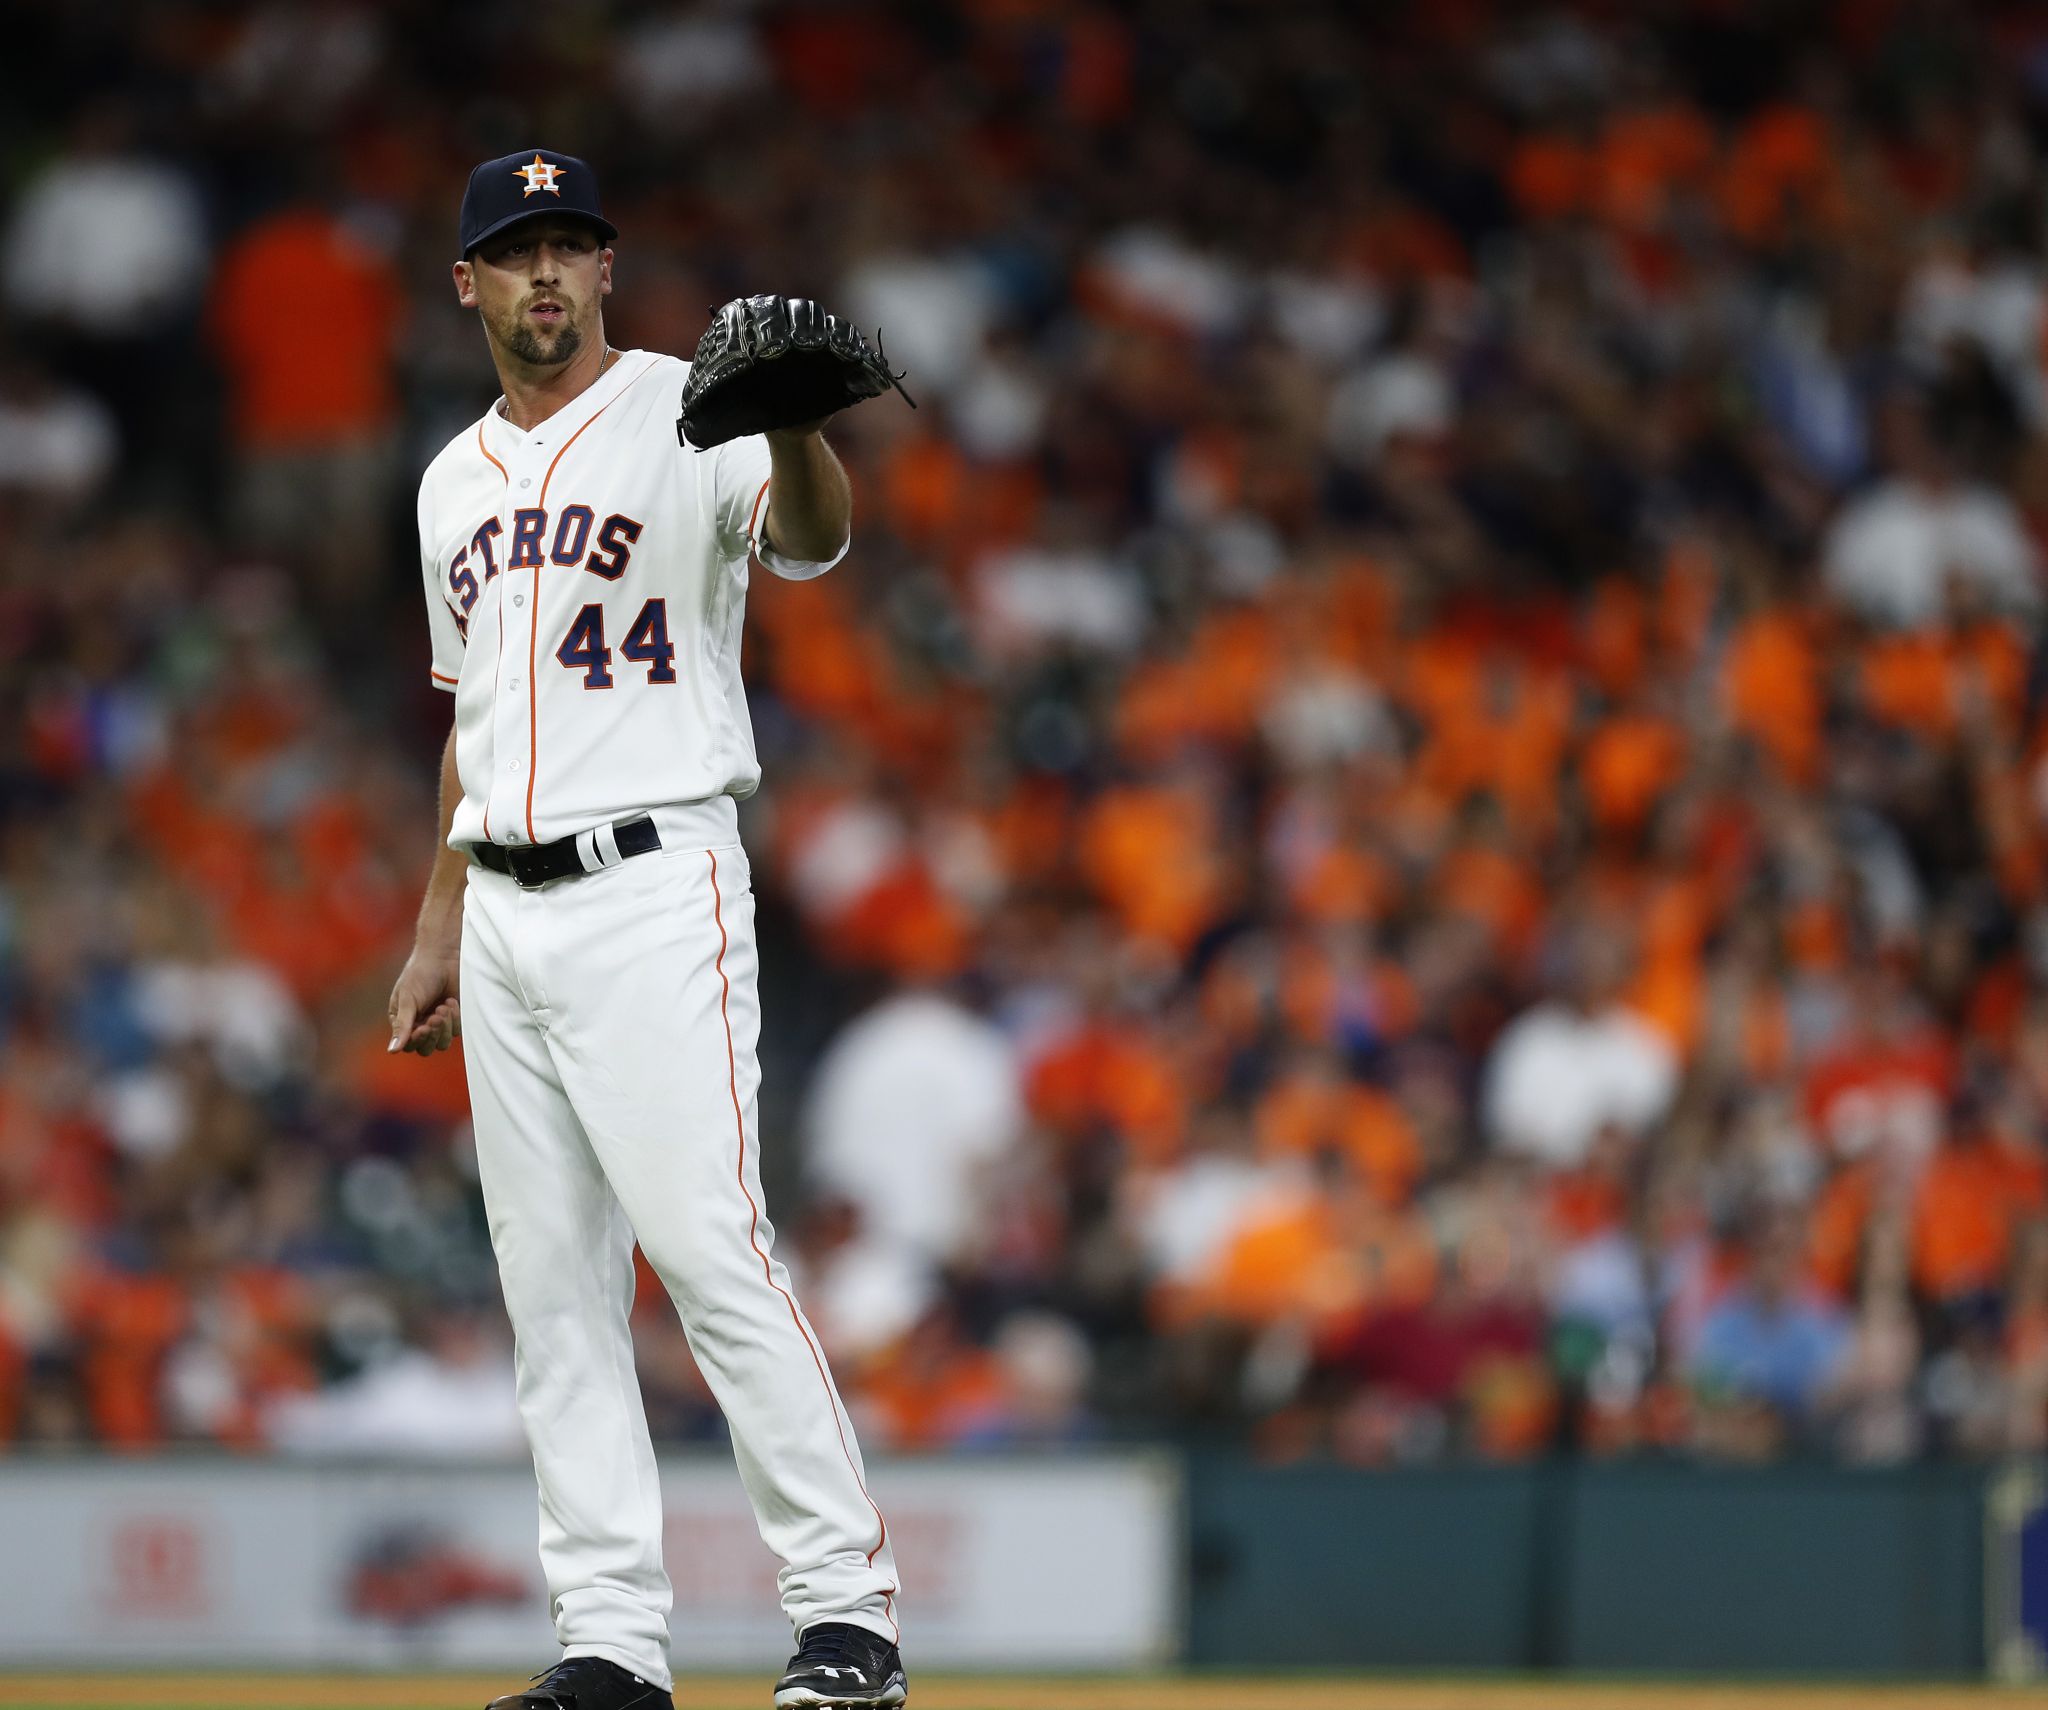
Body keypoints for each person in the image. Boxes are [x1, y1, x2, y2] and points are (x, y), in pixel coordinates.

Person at [385, 150, 906, 1710]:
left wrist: (796, 424)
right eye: (515, 250)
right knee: (552, 1293)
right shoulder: (445, 483)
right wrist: (433, 919)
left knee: (709, 1250)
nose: (546, 272)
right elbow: (471, 717)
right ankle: (608, 1641)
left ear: (607, 270)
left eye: (571, 244)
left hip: (655, 881)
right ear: (468, 285)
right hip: (500, 910)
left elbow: (812, 542)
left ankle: (849, 1616)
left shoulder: (697, 403)